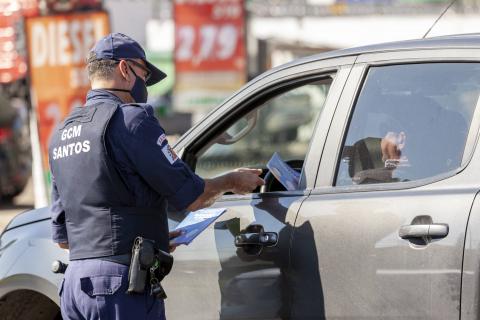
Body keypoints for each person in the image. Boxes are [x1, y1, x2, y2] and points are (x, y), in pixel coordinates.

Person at [48, 33, 264, 320]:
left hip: (75, 286)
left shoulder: (61, 133)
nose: (146, 86)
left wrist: (151, 235)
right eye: (144, 74)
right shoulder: (132, 120)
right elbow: (193, 196)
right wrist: (232, 181)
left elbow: (64, 238)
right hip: (120, 287)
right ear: (125, 69)